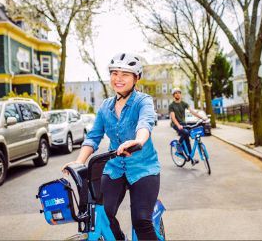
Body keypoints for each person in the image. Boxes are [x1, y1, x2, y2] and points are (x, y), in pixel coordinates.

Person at [62, 53, 160, 240]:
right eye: (115, 73)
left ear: (136, 78)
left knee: (141, 221)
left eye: (125, 74)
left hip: (144, 168)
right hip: (114, 167)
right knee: (102, 214)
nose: (118, 78)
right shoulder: (105, 107)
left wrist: (138, 141)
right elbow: (93, 137)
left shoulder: (143, 101)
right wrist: (79, 161)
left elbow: (145, 123)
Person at [169, 87, 208, 163]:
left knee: (187, 138)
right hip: (176, 124)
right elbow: (173, 118)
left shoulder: (184, 104)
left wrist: (202, 118)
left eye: (179, 93)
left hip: (183, 124)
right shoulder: (172, 105)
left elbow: (192, 112)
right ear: (174, 95)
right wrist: (178, 125)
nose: (178, 94)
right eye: (176, 93)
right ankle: (178, 145)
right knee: (185, 133)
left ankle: (191, 158)